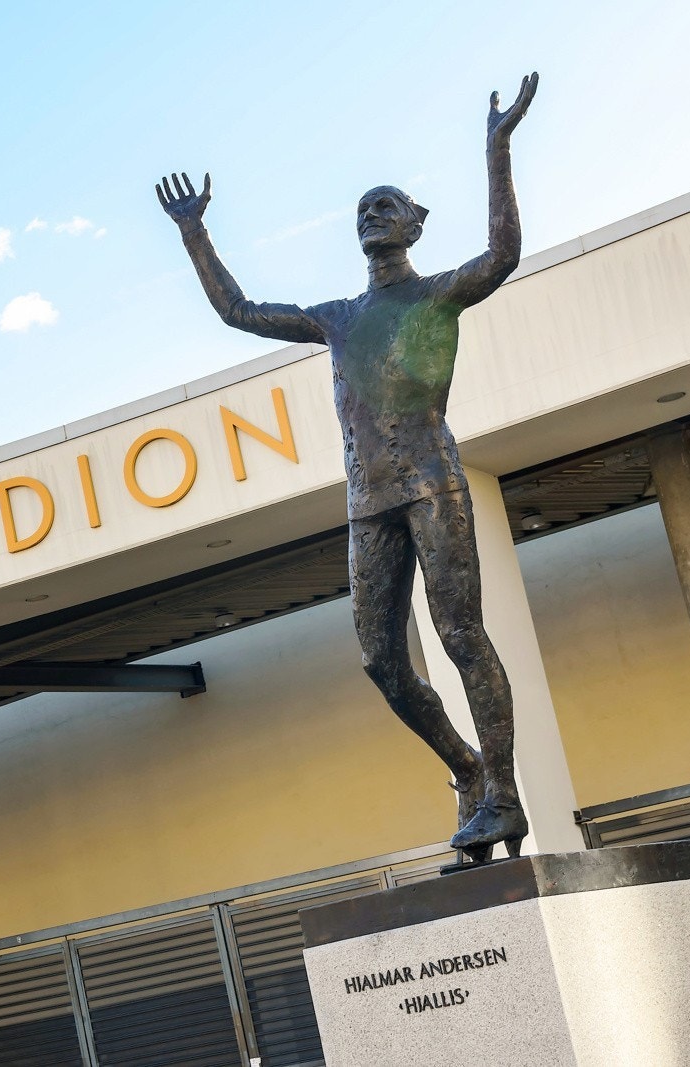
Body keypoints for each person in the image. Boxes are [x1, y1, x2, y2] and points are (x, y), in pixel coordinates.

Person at [157, 73, 539, 860]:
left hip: (433, 483)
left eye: (386, 205)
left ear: (415, 225)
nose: (372, 215)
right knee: (380, 660)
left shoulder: (434, 296)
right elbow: (240, 311)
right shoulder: (338, 318)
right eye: (362, 209)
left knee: (461, 633)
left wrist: (496, 150)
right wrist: (196, 234)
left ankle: (503, 792)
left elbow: (503, 253)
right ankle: (466, 768)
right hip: (369, 501)